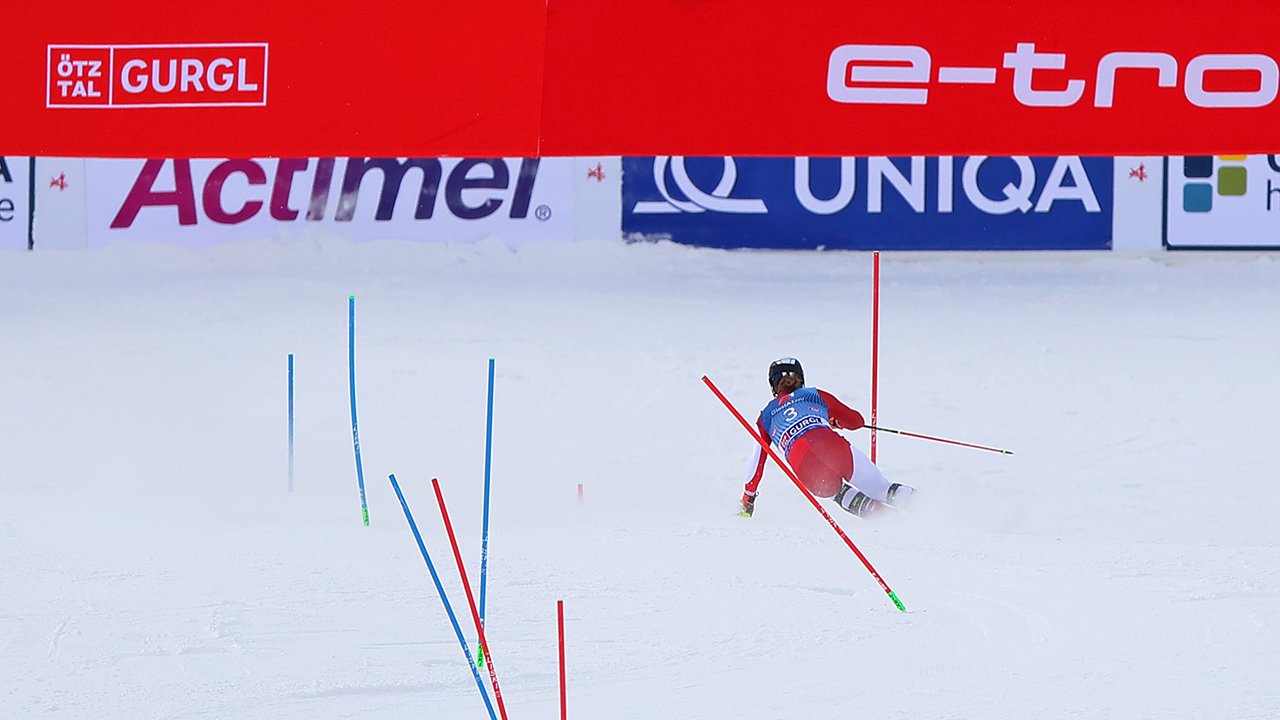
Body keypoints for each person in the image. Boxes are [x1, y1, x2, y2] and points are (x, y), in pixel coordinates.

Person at [739, 357, 914, 518]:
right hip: (832, 447)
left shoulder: (766, 417)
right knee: (882, 489)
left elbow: (756, 463)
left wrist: (748, 500)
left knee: (836, 491)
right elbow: (856, 421)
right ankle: (926, 507)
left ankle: (888, 521)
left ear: (773, 385)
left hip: (805, 468)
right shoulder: (812, 394)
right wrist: (834, 421)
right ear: (801, 378)